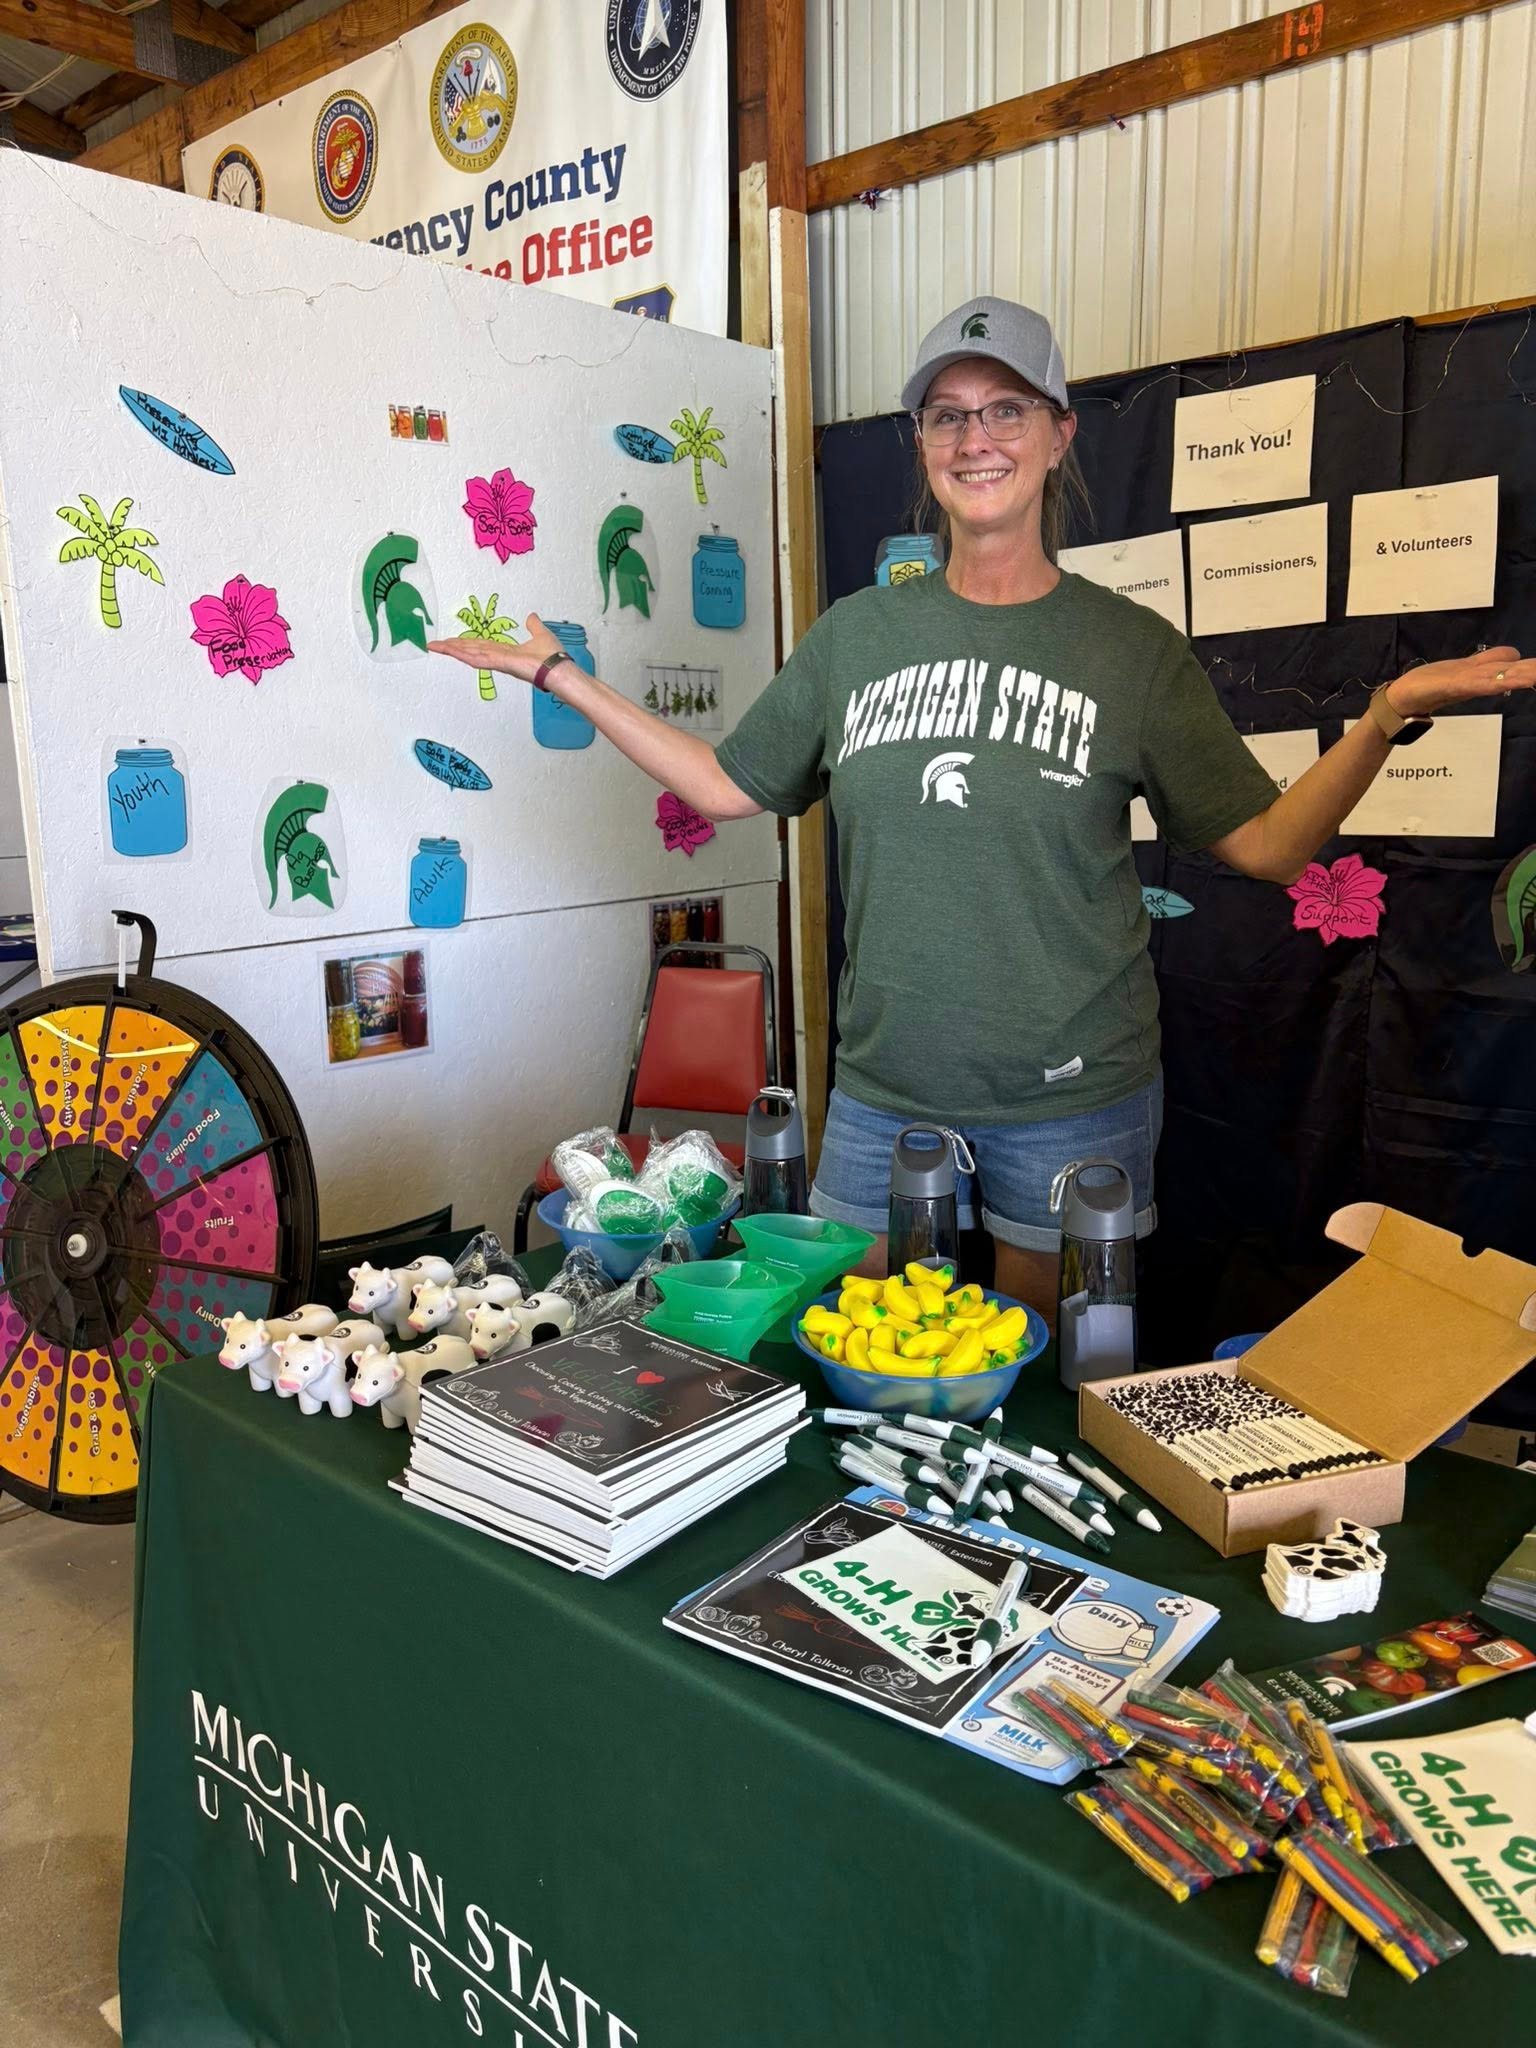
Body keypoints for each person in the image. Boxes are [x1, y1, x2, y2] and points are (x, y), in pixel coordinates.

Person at [430, 295, 1533, 1322]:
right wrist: (561, 677)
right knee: (861, 1349)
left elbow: (1270, 847)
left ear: (1058, 433)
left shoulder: (1130, 652)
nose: (975, 438)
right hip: (882, 1086)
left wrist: (1386, 712)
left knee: (1037, 1382)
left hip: (1071, 1091)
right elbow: (725, 786)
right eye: (947, 415)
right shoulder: (857, 637)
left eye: (1005, 408)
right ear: (920, 444)